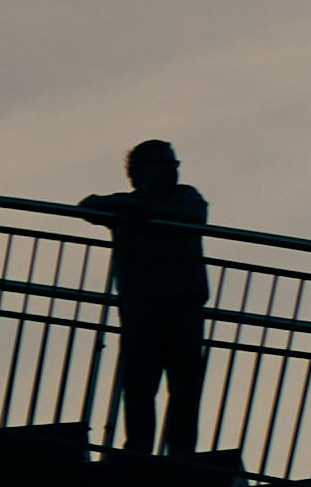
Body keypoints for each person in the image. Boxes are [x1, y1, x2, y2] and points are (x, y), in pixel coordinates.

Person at [76, 136, 212, 464]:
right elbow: (86, 206)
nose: (173, 169)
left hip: (183, 307)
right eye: (165, 163)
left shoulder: (184, 197)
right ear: (142, 170)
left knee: (184, 391)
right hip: (142, 310)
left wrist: (139, 212)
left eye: (174, 163)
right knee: (139, 388)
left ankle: (180, 458)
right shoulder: (126, 204)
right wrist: (132, 208)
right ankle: (138, 454)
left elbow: (195, 216)